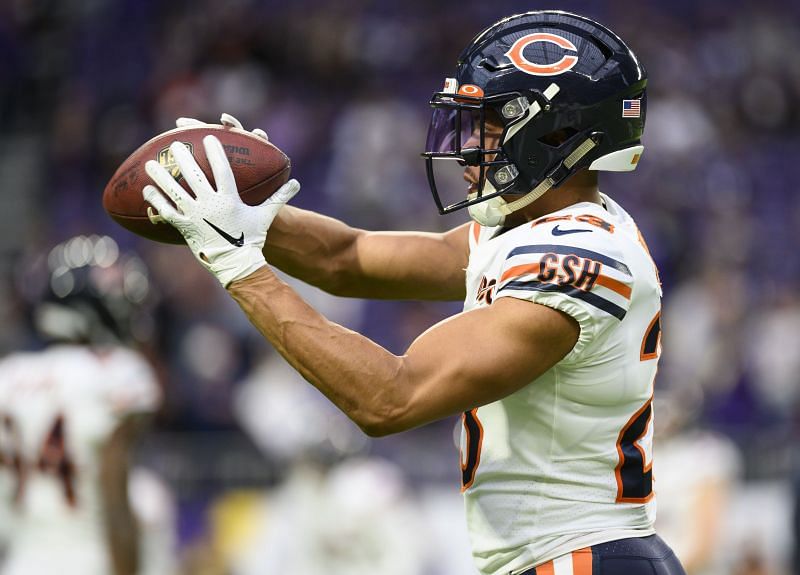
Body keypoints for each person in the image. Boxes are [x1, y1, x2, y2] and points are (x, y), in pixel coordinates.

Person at [142, 10, 685, 575]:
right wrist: (248, 211)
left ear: (557, 134)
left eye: (491, 123)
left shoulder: (577, 257)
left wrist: (237, 265)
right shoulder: (534, 230)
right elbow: (346, 259)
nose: (468, 142)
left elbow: (390, 398)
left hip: (581, 559)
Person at [0, 235, 165, 575]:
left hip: (19, 562)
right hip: (88, 559)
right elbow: (115, 499)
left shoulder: (8, 376)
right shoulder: (117, 373)